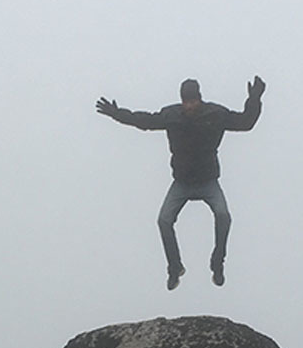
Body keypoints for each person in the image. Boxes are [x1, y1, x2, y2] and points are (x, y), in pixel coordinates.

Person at [96, 76, 265, 289]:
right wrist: (116, 113)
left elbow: (245, 123)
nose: (189, 106)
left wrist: (255, 99)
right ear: (181, 101)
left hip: (208, 182)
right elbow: (144, 121)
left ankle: (217, 263)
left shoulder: (216, 115)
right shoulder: (172, 116)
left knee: (223, 216)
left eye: (193, 101)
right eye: (186, 102)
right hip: (182, 183)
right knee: (164, 221)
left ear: (200, 99)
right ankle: (175, 268)